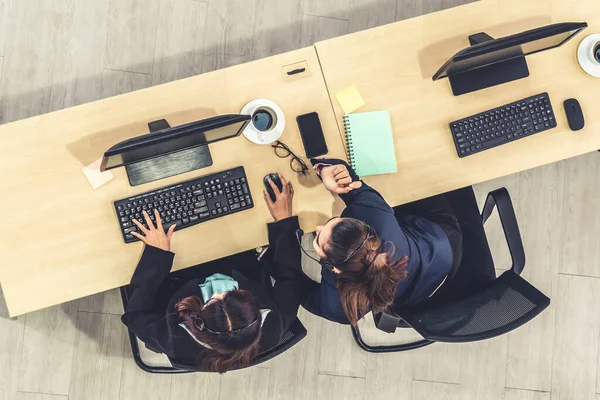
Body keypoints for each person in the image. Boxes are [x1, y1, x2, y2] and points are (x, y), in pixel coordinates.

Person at [121, 174, 313, 373]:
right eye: (234, 294)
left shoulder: (174, 339)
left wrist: (157, 256)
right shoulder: (273, 327)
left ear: (199, 323)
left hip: (179, 274)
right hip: (236, 262)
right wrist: (284, 222)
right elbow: (291, 278)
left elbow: (135, 315)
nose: (222, 290)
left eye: (214, 300)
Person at [301, 159, 463, 326]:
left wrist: (282, 225)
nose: (318, 227)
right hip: (442, 252)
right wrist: (326, 170)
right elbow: (356, 186)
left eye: (318, 239)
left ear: (332, 267)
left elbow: (295, 286)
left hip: (440, 252)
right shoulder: (376, 217)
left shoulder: (338, 307)